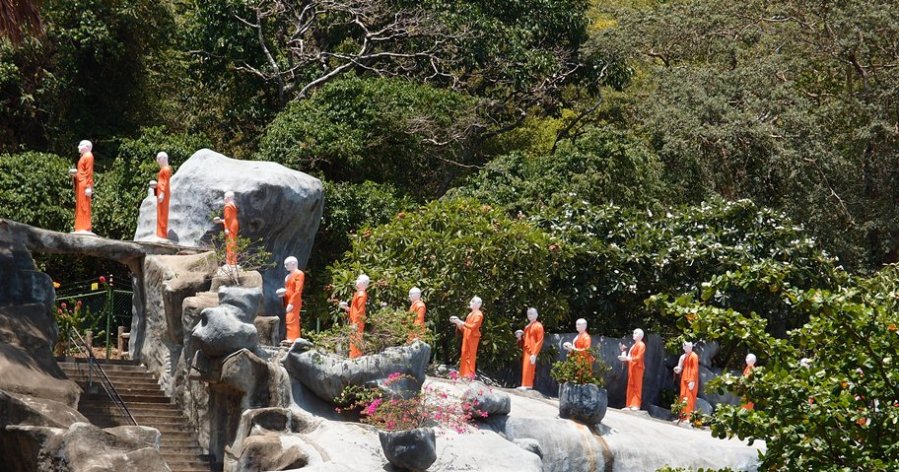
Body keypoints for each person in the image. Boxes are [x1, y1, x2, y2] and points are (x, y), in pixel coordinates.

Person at [450, 297, 484, 379]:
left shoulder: (479, 315)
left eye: (473, 301)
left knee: (470, 355)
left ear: (478, 304)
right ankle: (463, 373)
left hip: (473, 337)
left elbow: (473, 327)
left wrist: (461, 322)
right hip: (466, 336)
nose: (470, 303)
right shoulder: (470, 315)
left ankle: (470, 375)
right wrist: (458, 323)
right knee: (464, 353)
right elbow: (465, 328)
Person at [275, 256, 305, 343]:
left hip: (294, 301)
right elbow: (288, 289)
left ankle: (293, 338)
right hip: (288, 300)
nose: (285, 266)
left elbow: (298, 290)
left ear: (293, 263)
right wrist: (282, 293)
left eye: (287, 264)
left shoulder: (299, 274)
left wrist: (291, 303)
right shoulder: (287, 276)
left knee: (292, 319)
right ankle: (290, 337)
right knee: (289, 319)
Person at [340, 275, 370, 358]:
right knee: (353, 341)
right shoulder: (358, 293)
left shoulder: (361, 295)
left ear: (363, 283)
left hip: (357, 322)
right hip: (355, 321)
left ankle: (355, 358)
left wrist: (356, 323)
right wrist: (346, 308)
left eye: (358, 280)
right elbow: (354, 310)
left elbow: (361, 311)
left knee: (355, 341)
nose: (356, 281)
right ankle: (353, 357)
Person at [515, 307, 544, 390]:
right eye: (528, 314)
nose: (529, 315)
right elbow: (524, 340)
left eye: (531, 313)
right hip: (526, 349)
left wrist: (535, 353)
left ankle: (528, 385)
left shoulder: (538, 326)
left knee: (529, 366)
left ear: (536, 315)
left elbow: (540, 340)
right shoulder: (527, 327)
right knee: (525, 366)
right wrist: (519, 338)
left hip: (532, 350)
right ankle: (524, 384)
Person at [619, 328, 646, 410]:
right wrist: (624, 354)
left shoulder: (641, 345)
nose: (634, 334)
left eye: (636, 333)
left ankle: (636, 404)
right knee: (630, 385)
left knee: (637, 385)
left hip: (638, 367)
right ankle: (629, 404)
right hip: (632, 366)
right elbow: (629, 356)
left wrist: (627, 359)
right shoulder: (634, 345)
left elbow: (638, 357)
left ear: (641, 335)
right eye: (634, 333)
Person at [71, 140, 94, 233]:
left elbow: (89, 172)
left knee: (84, 205)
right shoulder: (83, 157)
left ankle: (85, 226)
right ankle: (79, 226)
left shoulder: (88, 156)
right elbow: (82, 172)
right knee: (79, 205)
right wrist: (75, 174)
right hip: (80, 183)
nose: (79, 147)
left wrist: (89, 187)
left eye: (81, 145)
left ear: (87, 147)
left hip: (84, 184)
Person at [673, 341, 700, 419]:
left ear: (690, 347)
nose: (684, 348)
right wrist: (677, 369)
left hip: (691, 379)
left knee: (690, 398)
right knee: (682, 396)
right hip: (684, 378)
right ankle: (682, 417)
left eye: (685, 346)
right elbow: (679, 368)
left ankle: (688, 417)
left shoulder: (694, 356)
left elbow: (695, 369)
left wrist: (692, 380)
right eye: (684, 347)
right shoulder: (683, 357)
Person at [213, 191, 239, 266]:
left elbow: (227, 218)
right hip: (234, 224)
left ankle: (230, 263)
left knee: (230, 243)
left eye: (225, 197)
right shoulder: (233, 205)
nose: (224, 199)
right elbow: (230, 218)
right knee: (233, 242)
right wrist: (221, 221)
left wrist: (226, 228)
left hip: (230, 225)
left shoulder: (227, 206)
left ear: (229, 198)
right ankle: (233, 261)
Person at [153, 152, 172, 239]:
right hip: (160, 192)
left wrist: (162, 193)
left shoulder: (166, 169)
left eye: (158, 158)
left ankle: (163, 233)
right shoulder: (164, 169)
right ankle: (160, 232)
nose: (157, 161)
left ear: (164, 158)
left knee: (163, 213)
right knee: (160, 212)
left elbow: (165, 182)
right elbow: (161, 182)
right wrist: (156, 188)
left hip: (162, 193)